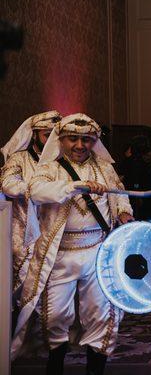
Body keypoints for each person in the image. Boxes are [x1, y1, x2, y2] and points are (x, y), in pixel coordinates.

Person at [11, 113, 135, 375]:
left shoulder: (104, 167)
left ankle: (95, 369)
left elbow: (119, 192)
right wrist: (74, 186)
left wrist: (124, 211)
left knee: (101, 314)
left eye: (87, 140)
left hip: (98, 252)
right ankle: (55, 365)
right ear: (61, 140)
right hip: (60, 255)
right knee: (54, 316)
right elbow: (37, 191)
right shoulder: (49, 168)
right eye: (73, 139)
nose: (80, 146)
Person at [1, 110, 61, 292]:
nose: (51, 140)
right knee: (26, 283)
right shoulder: (19, 159)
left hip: (55, 230)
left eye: (54, 136)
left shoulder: (62, 161)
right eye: (46, 135)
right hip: (24, 231)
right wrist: (36, 190)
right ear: (34, 134)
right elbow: (8, 184)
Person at [117, 135, 151, 219]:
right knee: (140, 215)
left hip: (148, 193)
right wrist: (137, 192)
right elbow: (135, 179)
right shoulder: (134, 162)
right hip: (137, 193)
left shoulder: (145, 163)